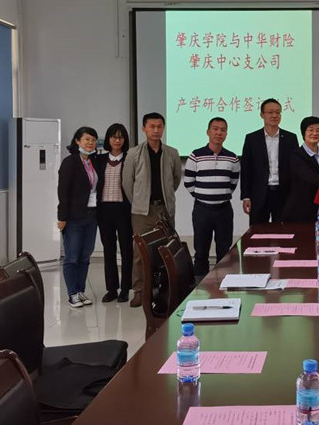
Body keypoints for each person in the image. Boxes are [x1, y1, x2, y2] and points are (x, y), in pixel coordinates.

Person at [122, 112, 182, 308]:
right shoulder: (133, 154)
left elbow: (175, 180)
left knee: (166, 250)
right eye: (152, 126)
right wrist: (139, 202)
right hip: (142, 212)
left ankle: (164, 288)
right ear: (144, 129)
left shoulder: (172, 153)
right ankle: (140, 291)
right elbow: (127, 183)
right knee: (140, 252)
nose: (156, 130)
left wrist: (165, 198)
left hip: (164, 209)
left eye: (159, 126)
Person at [184, 117, 240, 280]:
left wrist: (218, 194)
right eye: (215, 129)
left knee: (224, 251)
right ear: (208, 132)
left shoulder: (232, 158)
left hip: (224, 210)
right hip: (202, 210)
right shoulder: (196, 155)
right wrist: (203, 195)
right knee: (201, 251)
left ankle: (222, 285)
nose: (219, 133)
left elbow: (233, 183)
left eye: (223, 130)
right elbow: (188, 182)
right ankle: (199, 286)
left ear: (226, 134)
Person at [57, 126, 99, 308]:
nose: (90, 143)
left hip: (91, 215)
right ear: (77, 141)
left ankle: (81, 291)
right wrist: (62, 217)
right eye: (87, 139)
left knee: (85, 256)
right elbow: (63, 191)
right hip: (73, 217)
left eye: (93, 140)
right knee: (72, 256)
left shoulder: (93, 162)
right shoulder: (70, 162)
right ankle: (72, 294)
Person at [240, 98, 299, 225]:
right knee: (258, 231)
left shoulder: (290, 138)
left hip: (283, 194)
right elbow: (246, 169)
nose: (274, 115)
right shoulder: (252, 139)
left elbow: (295, 169)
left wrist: (295, 196)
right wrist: (246, 197)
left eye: (278, 112)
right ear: (262, 115)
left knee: (285, 231)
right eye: (270, 112)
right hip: (259, 194)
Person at [94, 123, 133, 303]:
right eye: (114, 137)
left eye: (121, 137)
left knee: (126, 249)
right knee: (108, 249)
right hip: (104, 210)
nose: (117, 140)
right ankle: (111, 289)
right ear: (108, 139)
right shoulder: (99, 159)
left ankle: (125, 288)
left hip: (124, 209)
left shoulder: (130, 159)